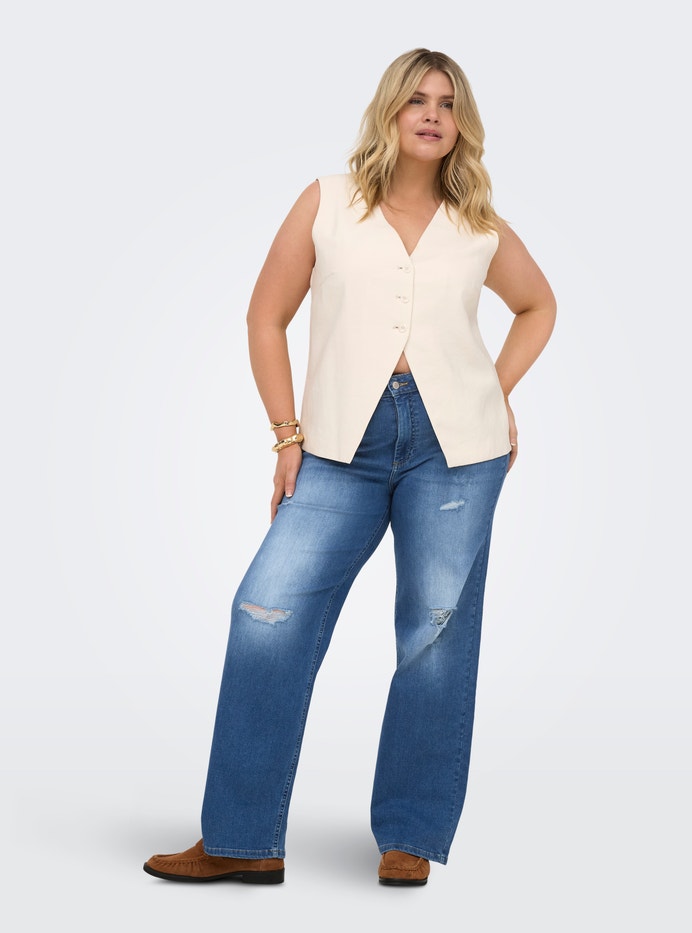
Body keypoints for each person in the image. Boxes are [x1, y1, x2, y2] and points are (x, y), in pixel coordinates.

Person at [143, 47, 556, 888]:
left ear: (461, 123)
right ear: (390, 111)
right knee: (265, 613)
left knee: (435, 635)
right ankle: (241, 837)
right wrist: (285, 436)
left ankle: (411, 834)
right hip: (339, 444)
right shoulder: (328, 202)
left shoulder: (478, 224)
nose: (432, 114)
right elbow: (266, 316)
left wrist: (495, 389)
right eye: (417, 99)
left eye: (447, 102)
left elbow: (538, 304)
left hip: (457, 450)